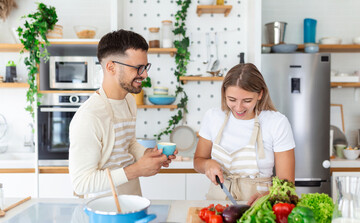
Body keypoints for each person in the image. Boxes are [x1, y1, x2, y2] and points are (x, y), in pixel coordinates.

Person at [69, 29, 176, 198]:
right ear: (111, 67)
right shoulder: (89, 117)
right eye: (138, 68)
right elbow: (81, 183)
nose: (145, 74)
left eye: (145, 67)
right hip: (103, 208)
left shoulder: (129, 101)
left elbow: (129, 143)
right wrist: (137, 169)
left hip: (132, 197)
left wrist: (148, 155)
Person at [194, 63, 295, 206]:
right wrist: (207, 164)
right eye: (232, 100)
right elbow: (198, 161)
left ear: (260, 94)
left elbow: (287, 185)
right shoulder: (213, 117)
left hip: (258, 207)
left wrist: (268, 197)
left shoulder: (277, 122)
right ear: (224, 93)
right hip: (217, 204)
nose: (239, 108)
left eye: (247, 101)